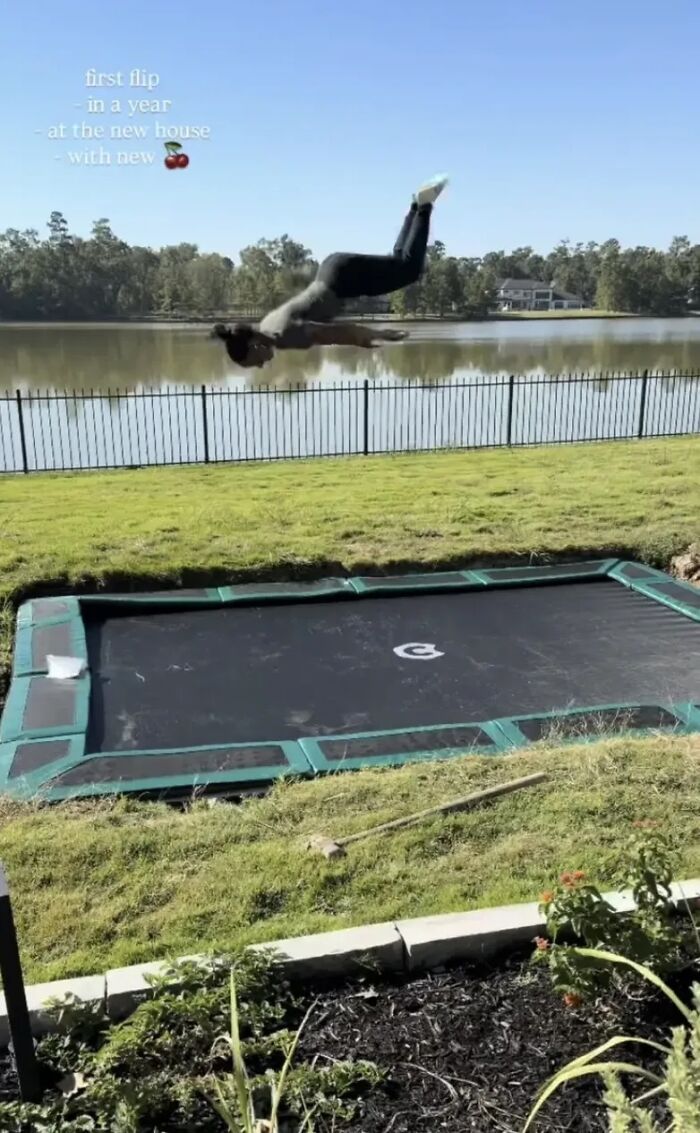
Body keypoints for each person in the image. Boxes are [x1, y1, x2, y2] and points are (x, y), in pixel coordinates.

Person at [212, 175, 448, 369]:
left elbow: (334, 333)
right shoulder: (266, 325)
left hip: (343, 280)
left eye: (254, 363)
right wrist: (362, 338)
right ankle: (416, 206)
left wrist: (378, 335)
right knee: (400, 263)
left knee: (409, 270)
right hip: (332, 271)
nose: (261, 366)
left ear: (254, 346)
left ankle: (423, 206)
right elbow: (328, 335)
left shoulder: (281, 337)